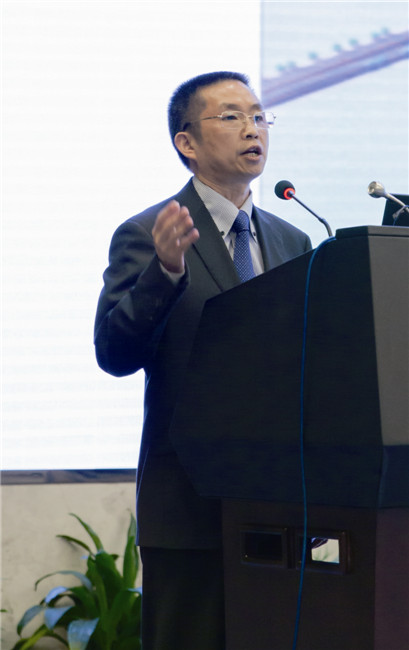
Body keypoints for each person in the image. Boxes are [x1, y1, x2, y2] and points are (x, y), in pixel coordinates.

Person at [94, 71, 312, 650]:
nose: (253, 129)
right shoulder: (147, 233)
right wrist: (165, 272)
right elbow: (114, 353)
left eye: (259, 116)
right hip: (189, 506)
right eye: (232, 116)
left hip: (281, 504)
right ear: (186, 142)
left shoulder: (293, 240)